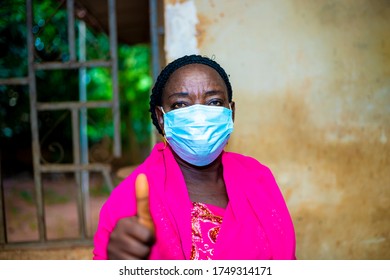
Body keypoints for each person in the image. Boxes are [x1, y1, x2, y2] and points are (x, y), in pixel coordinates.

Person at [93, 54, 296, 260]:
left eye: (214, 101)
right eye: (181, 104)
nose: (199, 115)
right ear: (162, 118)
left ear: (231, 113)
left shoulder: (257, 177)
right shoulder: (131, 198)